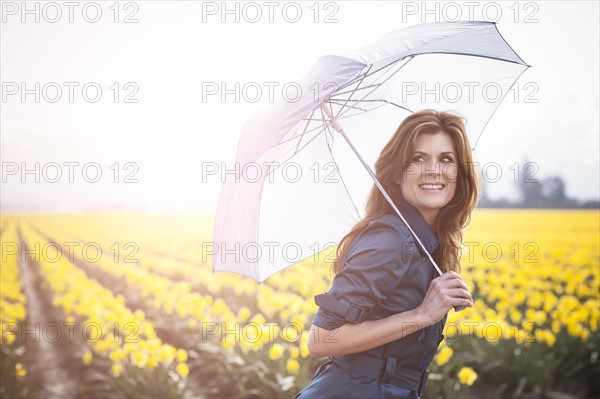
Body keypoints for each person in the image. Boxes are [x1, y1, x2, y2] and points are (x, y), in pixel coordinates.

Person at [293, 109, 481, 399]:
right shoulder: (389, 240)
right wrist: (420, 315)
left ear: (460, 172)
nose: (433, 169)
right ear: (395, 174)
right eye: (418, 159)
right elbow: (321, 339)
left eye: (446, 159)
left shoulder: (425, 243)